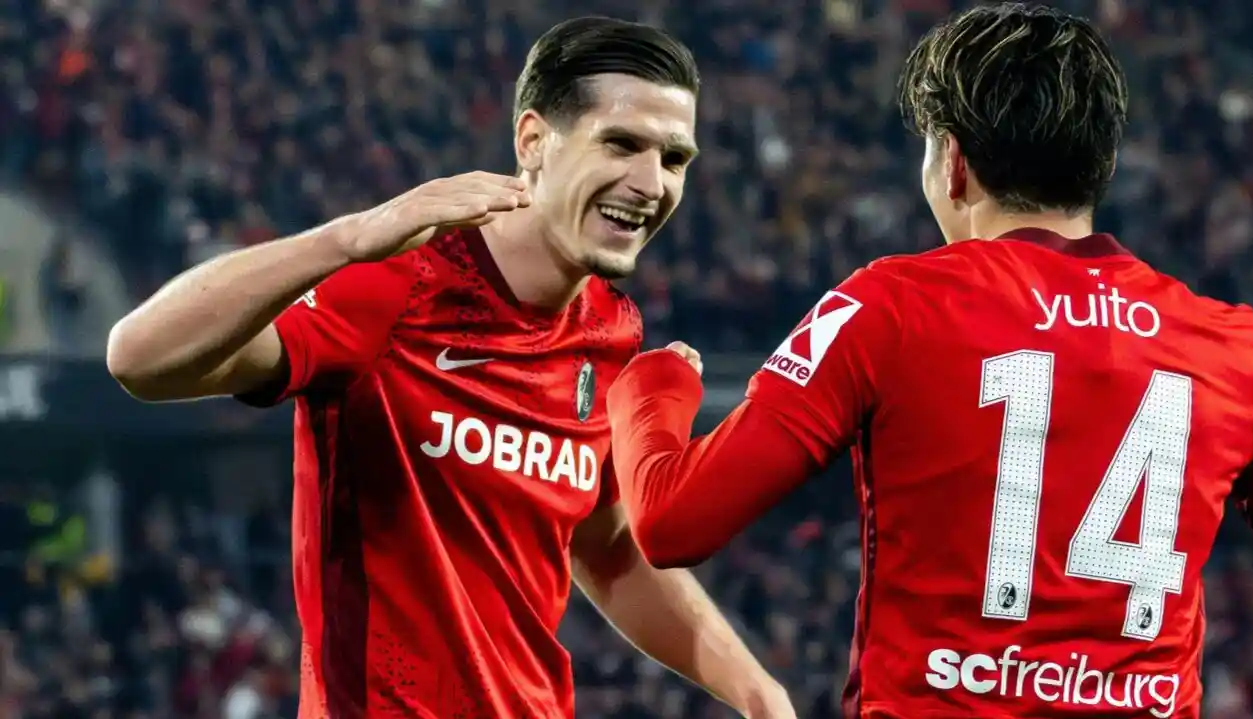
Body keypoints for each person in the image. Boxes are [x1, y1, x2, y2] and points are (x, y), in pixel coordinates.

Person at [602, 4, 1253, 718]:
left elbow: (672, 521)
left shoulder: (890, 305)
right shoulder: (1233, 344)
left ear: (953, 163)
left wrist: (652, 385)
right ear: (1098, 166)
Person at [105, 16, 793, 719]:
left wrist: (758, 693)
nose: (650, 182)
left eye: (674, 158)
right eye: (619, 143)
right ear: (533, 141)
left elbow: (606, 545)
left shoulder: (610, 331)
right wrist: (345, 239)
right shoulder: (396, 286)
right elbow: (140, 357)